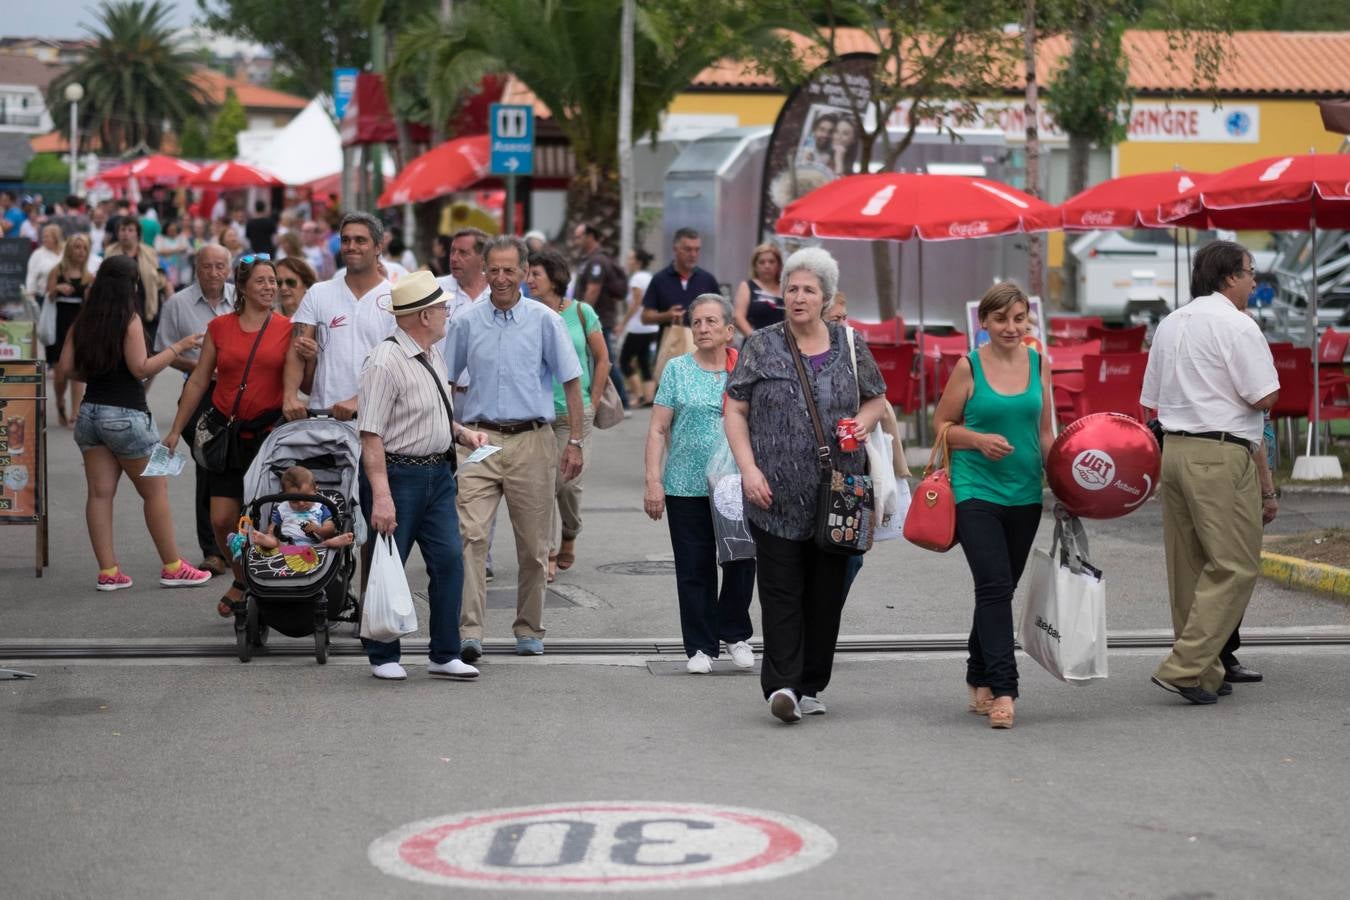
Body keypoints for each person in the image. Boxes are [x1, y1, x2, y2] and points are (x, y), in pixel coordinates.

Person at [725, 247, 888, 723]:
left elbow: (876, 400)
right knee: (780, 593)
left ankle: (811, 683)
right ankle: (782, 687)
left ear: (826, 297)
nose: (798, 297)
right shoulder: (762, 346)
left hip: (838, 495)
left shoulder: (851, 345)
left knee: (825, 595)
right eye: (791, 289)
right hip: (772, 496)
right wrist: (748, 468)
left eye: (808, 290)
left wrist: (860, 423)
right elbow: (735, 408)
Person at [1140, 240, 1280, 706]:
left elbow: (1150, 399)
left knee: (1189, 567)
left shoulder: (1170, 323)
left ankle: (1203, 671)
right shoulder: (1238, 325)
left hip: (1174, 449)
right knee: (1236, 563)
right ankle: (1184, 666)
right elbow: (1263, 397)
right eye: (1249, 271)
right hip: (1221, 453)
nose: (1254, 280)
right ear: (1228, 279)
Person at [443, 235, 584, 660]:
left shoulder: (545, 321)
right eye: (494, 270)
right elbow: (444, 381)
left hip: (532, 440)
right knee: (470, 537)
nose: (501, 279)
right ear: (483, 272)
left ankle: (528, 628)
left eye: (510, 270)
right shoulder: (466, 321)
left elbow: (571, 382)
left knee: (533, 544)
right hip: (480, 441)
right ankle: (469, 632)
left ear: (525, 273)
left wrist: (574, 440)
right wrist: (450, 433)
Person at [933, 282, 1054, 731]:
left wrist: (1062, 485)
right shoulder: (969, 367)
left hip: (1025, 494)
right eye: (1001, 319)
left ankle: (977, 675)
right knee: (994, 584)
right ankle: (1005, 690)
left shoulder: (1040, 363)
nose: (1011, 327)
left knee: (998, 590)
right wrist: (978, 440)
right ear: (983, 322)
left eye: (1019, 318)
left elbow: (1045, 433)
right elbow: (942, 425)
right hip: (975, 490)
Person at [358, 269, 489, 681]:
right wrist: (381, 495)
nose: (447, 312)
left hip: (437, 474)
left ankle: (444, 652)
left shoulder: (431, 352)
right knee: (388, 564)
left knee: (450, 561)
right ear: (423, 316)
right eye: (441, 307)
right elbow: (371, 435)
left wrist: (464, 432)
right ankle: (383, 655)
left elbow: (431, 414)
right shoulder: (384, 361)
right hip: (398, 476)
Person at [56, 256, 212, 592]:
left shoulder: (83, 320)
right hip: (127, 415)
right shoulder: (129, 319)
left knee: (99, 495)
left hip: (90, 413)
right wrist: (178, 348)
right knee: (156, 491)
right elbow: (141, 367)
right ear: (132, 286)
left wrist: (97, 375)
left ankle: (108, 571)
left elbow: (66, 367)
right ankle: (173, 566)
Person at [164, 254, 290, 617]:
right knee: (222, 519)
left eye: (273, 281)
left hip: (268, 434)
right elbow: (200, 380)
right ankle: (241, 577)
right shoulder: (220, 327)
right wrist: (174, 430)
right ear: (244, 287)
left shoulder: (287, 328)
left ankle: (263, 582)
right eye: (262, 281)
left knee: (266, 518)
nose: (270, 287)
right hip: (227, 433)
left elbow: (301, 382)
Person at [644, 293, 756, 674]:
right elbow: (658, 429)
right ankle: (700, 647)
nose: (703, 328)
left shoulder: (743, 370)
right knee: (694, 566)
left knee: (741, 560)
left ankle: (735, 632)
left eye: (711, 322)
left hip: (735, 486)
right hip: (685, 485)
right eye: (697, 322)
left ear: (729, 330)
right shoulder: (677, 369)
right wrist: (653, 481)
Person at [527, 248, 609, 582]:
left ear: (554, 277)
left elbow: (602, 358)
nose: (528, 280)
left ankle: (570, 532)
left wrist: (593, 398)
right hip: (537, 414)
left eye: (536, 274)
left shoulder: (581, 311)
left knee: (568, 484)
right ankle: (546, 553)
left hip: (574, 413)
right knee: (545, 484)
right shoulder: (527, 312)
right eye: (528, 273)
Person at [155, 244, 237, 577]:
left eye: (220, 266)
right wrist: (200, 366)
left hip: (240, 393)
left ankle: (241, 543)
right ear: (197, 269)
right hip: (200, 393)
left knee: (245, 466)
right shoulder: (178, 304)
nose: (214, 273)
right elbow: (164, 351)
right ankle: (212, 549)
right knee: (209, 467)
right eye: (207, 266)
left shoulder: (241, 298)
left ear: (229, 270)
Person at [283, 212, 395, 423]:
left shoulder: (396, 298)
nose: (351, 246)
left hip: (376, 419)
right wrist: (289, 396)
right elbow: (296, 349)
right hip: (322, 415)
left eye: (360, 240)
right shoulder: (318, 292)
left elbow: (397, 366)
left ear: (378, 247)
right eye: (346, 240)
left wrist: (359, 400)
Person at [572, 223, 630, 408]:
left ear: (590, 237)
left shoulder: (597, 261)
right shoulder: (589, 259)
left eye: (579, 237)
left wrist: (581, 317)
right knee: (600, 359)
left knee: (604, 359)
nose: (576, 241)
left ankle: (623, 401)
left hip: (598, 320)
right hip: (596, 319)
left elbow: (593, 290)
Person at [640, 227, 720, 351]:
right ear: (675, 249)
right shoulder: (660, 279)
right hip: (671, 350)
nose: (693, 254)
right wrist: (667, 315)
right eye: (688, 249)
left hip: (704, 352)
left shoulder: (708, 280)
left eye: (697, 250)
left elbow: (722, 314)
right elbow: (645, 317)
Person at [44, 233, 96, 425]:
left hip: (80, 324)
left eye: (84, 248)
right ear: (69, 250)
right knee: (60, 372)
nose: (81, 251)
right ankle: (59, 402)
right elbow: (48, 295)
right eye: (77, 247)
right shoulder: (57, 271)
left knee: (78, 368)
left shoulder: (89, 275)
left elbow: (93, 303)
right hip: (59, 322)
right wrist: (57, 289)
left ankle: (75, 412)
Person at [249, 465, 353, 550]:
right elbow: (273, 526)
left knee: (325, 545)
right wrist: (271, 533)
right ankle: (265, 540)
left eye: (306, 498)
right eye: (294, 500)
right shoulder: (283, 508)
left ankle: (335, 542)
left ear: (315, 491)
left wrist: (318, 529)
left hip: (314, 548)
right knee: (275, 543)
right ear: (285, 496)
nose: (301, 503)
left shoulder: (320, 507)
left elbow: (330, 529)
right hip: (286, 547)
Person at [103, 217, 166, 349]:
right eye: (123, 230)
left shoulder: (150, 252)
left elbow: (160, 276)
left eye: (130, 230)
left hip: (146, 304)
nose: (126, 233)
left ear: (137, 233)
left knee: (147, 348)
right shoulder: (110, 252)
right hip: (119, 307)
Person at [619, 248, 658, 406]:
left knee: (624, 360)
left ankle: (639, 395)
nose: (628, 262)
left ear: (638, 262)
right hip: (651, 327)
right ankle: (648, 398)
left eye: (630, 259)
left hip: (638, 327)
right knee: (643, 361)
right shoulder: (649, 277)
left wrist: (622, 323)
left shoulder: (636, 279)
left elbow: (636, 303)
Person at [732, 243, 785, 336]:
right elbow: (738, 317)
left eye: (772, 262)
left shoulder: (786, 288)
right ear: (755, 266)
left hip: (781, 345)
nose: (767, 266)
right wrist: (756, 339)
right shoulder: (747, 286)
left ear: (779, 265)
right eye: (762, 262)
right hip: (754, 344)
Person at [26, 224, 62, 309]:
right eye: (43, 237)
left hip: (62, 298)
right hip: (42, 297)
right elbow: (31, 276)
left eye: (47, 237)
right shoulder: (37, 254)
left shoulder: (65, 253)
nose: (44, 240)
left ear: (56, 237)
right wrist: (31, 296)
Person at [154, 221, 191, 290]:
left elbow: (186, 248)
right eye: (170, 230)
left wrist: (168, 251)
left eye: (174, 230)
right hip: (165, 270)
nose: (172, 232)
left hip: (180, 270)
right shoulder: (160, 238)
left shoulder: (182, 237)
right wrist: (177, 250)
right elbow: (159, 250)